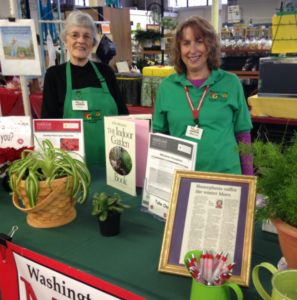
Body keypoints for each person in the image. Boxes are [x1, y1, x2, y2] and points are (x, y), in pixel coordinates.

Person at [153, 16, 253, 175]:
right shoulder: (167, 87)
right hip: (182, 180)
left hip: (226, 179)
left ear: (210, 45)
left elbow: (243, 137)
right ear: (179, 49)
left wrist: (249, 183)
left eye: (199, 41)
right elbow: (160, 138)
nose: (193, 50)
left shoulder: (231, 83)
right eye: (186, 43)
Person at [41, 10, 129, 166]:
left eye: (87, 36)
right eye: (74, 35)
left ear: (93, 42)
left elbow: (124, 115)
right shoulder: (54, 75)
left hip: (111, 162)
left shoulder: (106, 72)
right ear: (65, 41)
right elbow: (48, 124)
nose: (81, 40)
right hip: (71, 164)